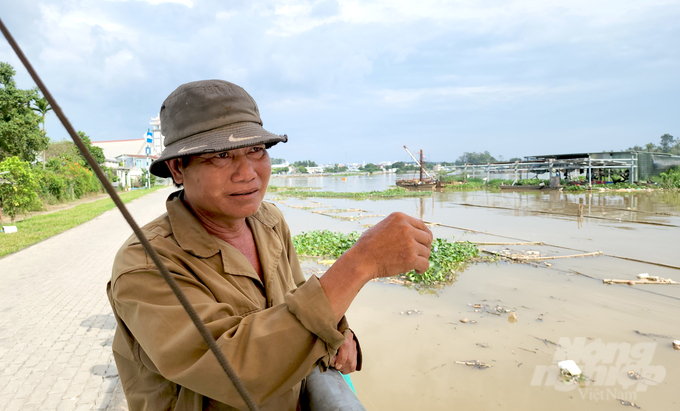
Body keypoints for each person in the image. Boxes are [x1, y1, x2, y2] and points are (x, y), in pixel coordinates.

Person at [107, 80, 433, 410]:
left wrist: (339, 331)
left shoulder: (269, 221)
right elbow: (237, 369)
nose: (248, 173)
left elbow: (296, 297)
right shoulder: (146, 266)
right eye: (221, 155)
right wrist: (361, 262)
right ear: (178, 167)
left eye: (256, 150)